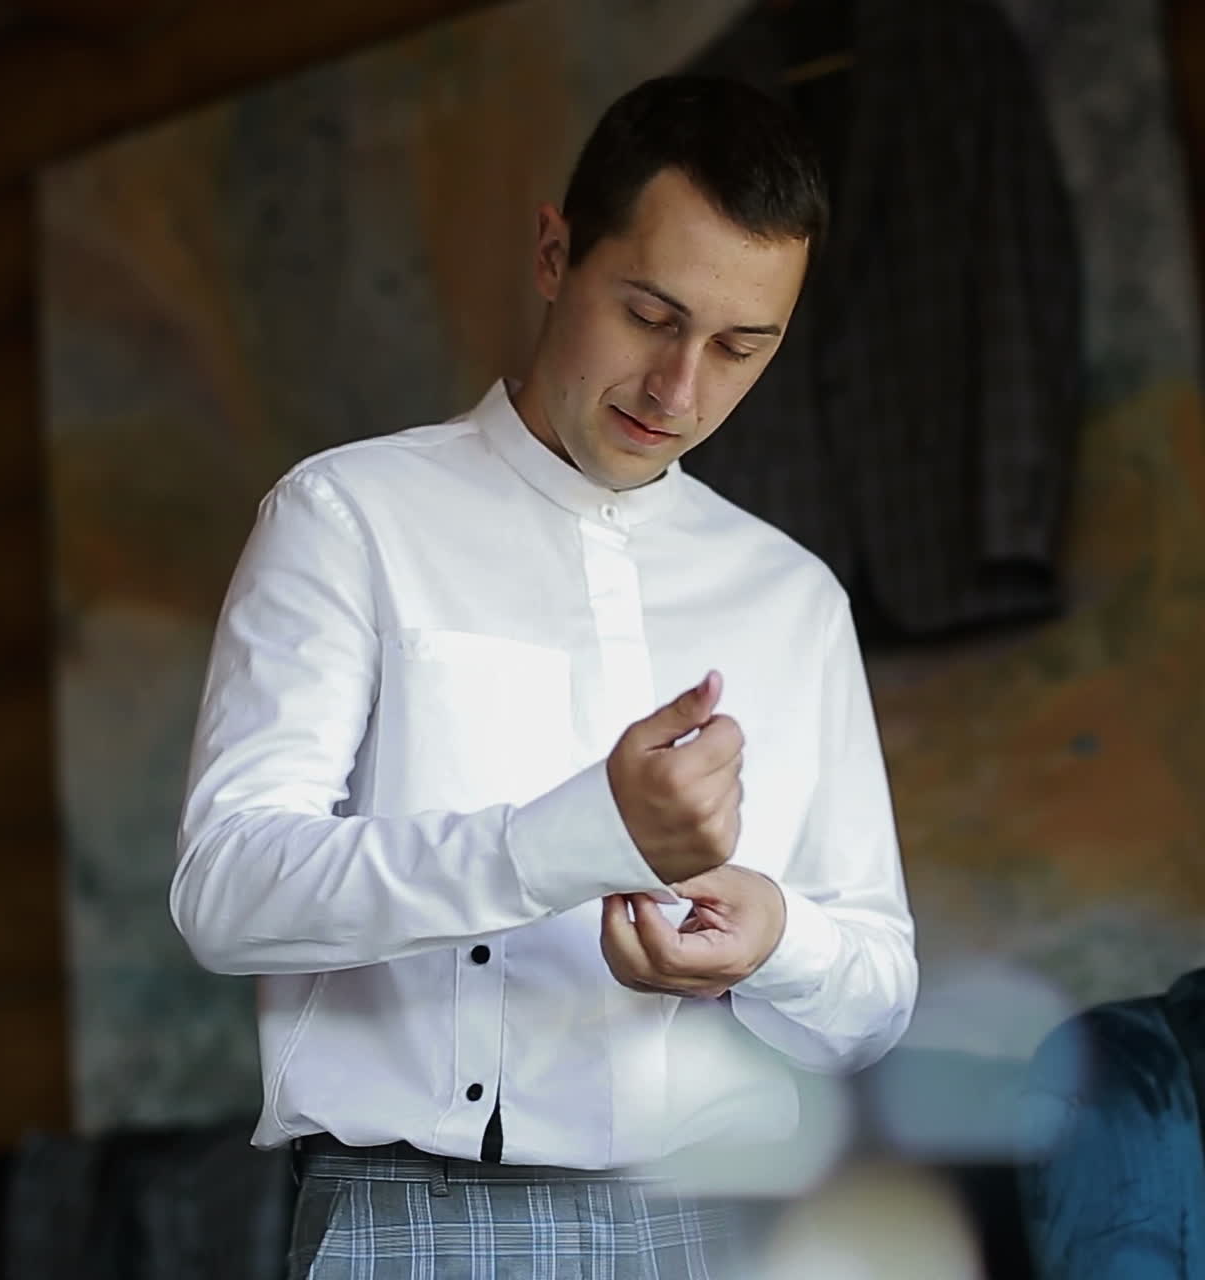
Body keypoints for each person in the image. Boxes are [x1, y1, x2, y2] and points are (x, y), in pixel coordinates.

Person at [171, 74, 917, 1279]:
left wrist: (775, 939)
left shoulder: (793, 599)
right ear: (553, 251)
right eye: (648, 315)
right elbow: (225, 887)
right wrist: (571, 837)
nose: (680, 390)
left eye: (739, 346)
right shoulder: (348, 518)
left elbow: (874, 997)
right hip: (419, 1224)